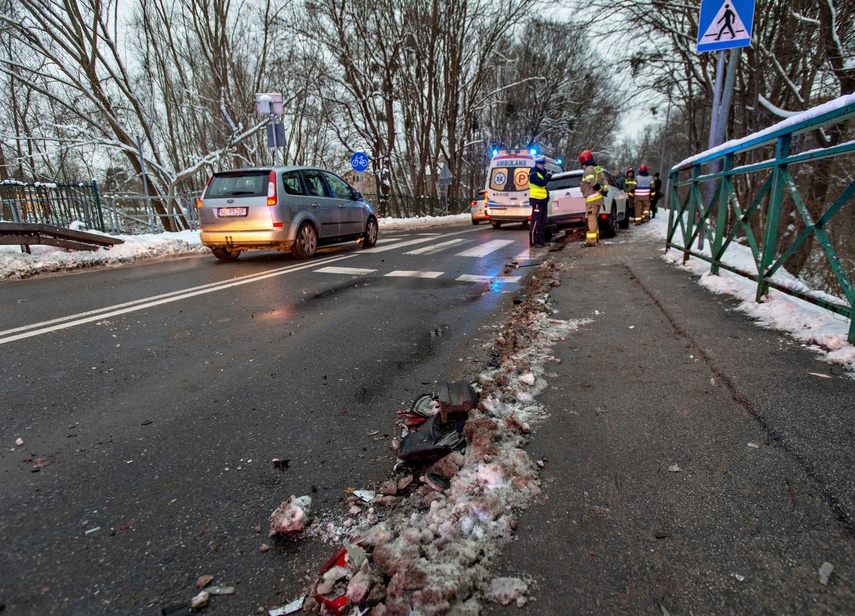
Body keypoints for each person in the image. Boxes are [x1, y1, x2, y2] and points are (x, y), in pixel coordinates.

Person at [578, 149, 607, 247]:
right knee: (594, 218)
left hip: (591, 199)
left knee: (591, 219)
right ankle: (596, 238)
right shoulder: (597, 169)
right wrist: (603, 190)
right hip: (599, 199)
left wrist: (599, 188)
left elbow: (591, 182)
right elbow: (604, 180)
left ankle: (591, 241)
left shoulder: (588, 170)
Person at [527, 155, 552, 247]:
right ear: (537, 164)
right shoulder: (533, 173)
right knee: (536, 222)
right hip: (536, 201)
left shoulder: (541, 173)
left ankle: (541, 240)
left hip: (543, 200)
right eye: (542, 164)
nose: (543, 166)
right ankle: (533, 241)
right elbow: (541, 183)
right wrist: (548, 176)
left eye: (544, 164)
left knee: (543, 222)